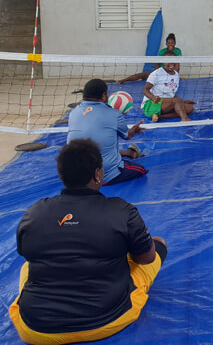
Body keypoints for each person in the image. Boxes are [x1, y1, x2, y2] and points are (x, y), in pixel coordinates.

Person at [9, 139, 168, 344]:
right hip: (107, 320)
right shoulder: (121, 210)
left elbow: (28, 254)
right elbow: (146, 258)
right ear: (97, 174)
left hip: (35, 330)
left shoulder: (34, 213)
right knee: (158, 244)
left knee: (27, 266)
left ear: (61, 175)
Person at [68, 78, 147, 185]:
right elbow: (127, 136)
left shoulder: (74, 112)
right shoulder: (113, 114)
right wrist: (134, 129)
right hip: (102, 175)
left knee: (98, 141)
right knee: (141, 170)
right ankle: (129, 154)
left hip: (76, 175)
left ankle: (128, 153)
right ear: (104, 96)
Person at [141, 51, 196, 122]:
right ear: (163, 62)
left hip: (166, 103)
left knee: (189, 108)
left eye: (173, 61)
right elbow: (145, 90)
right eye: (168, 61)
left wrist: (182, 102)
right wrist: (153, 97)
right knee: (178, 102)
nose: (171, 63)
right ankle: (184, 119)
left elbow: (172, 93)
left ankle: (160, 117)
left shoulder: (176, 75)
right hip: (152, 104)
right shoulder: (157, 73)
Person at [117, 33, 182, 84]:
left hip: (170, 72)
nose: (170, 44)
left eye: (172, 43)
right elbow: (157, 63)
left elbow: (177, 64)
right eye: (168, 43)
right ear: (166, 43)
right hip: (161, 72)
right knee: (145, 74)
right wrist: (157, 74)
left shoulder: (178, 51)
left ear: (175, 43)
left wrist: (176, 76)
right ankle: (123, 80)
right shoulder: (162, 51)